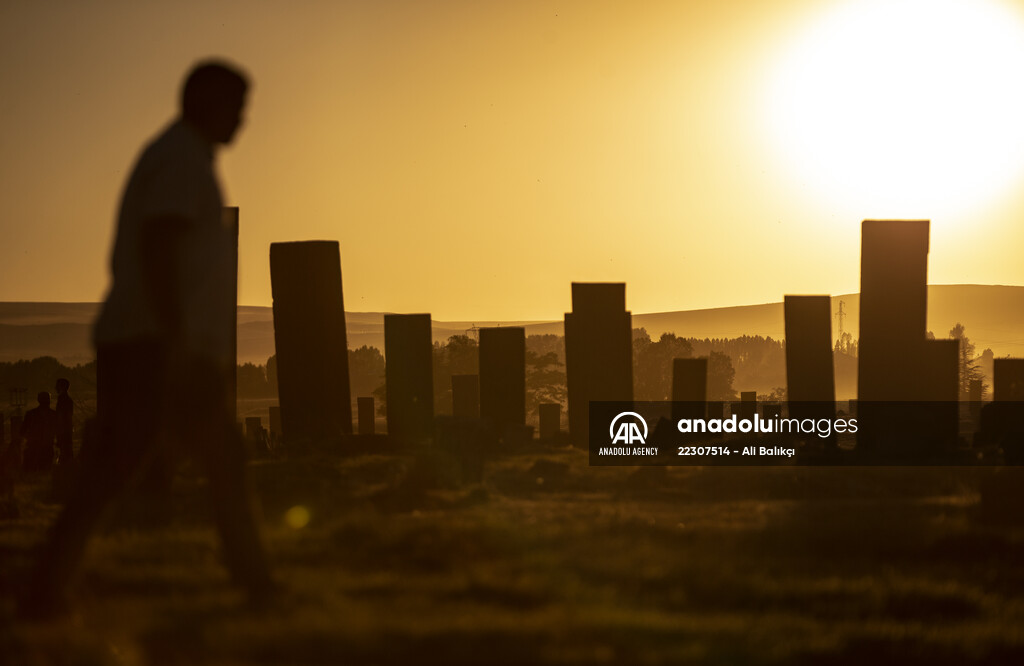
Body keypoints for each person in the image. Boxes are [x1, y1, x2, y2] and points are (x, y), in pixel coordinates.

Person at [21, 60, 274, 619]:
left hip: (148, 341)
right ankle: (257, 589)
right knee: (197, 463)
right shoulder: (182, 161)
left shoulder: (178, 156)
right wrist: (179, 343)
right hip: (156, 345)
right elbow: (161, 248)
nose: (244, 118)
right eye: (236, 106)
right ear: (204, 102)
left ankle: (44, 591)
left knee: (134, 469)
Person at [20, 392, 57, 473]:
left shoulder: (31, 414)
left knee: (33, 472)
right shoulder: (54, 415)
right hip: (43, 446)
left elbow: (22, 431)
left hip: (36, 447)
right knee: (44, 471)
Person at [54, 378, 73, 464]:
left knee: (65, 452)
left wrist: (59, 432)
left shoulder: (62, 399)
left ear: (61, 387)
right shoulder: (68, 399)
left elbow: (61, 416)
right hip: (67, 430)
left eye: (57, 386)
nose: (55, 388)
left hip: (63, 430)